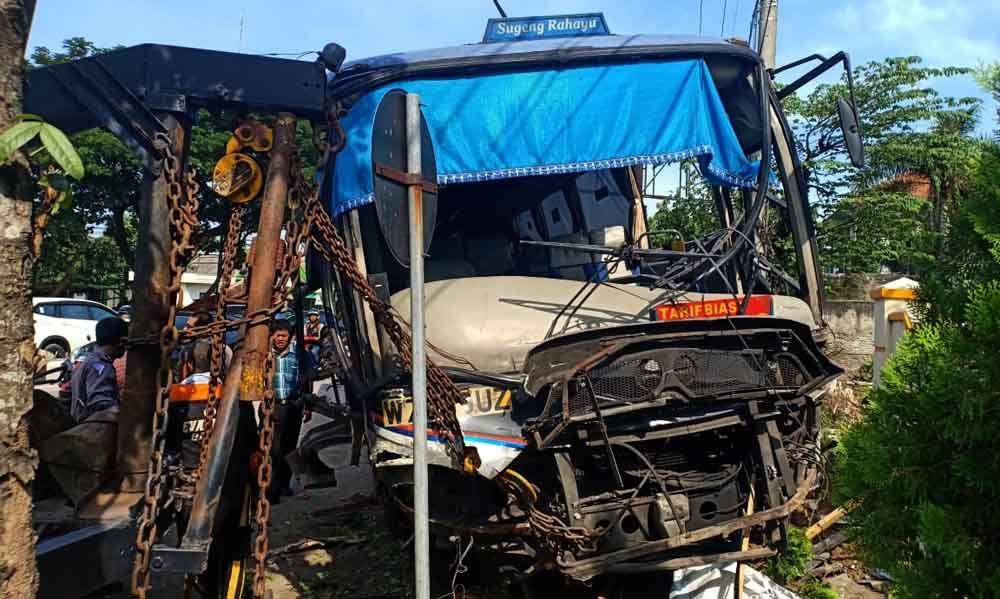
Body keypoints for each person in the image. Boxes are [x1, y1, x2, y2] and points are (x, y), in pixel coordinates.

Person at [267, 319, 313, 503]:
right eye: (277, 335)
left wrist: (308, 405)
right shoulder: (266, 355)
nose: (280, 339)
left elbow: (308, 379)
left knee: (289, 447)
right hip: (273, 407)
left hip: (293, 405)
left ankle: (284, 485)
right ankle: (272, 488)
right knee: (274, 449)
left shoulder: (300, 355)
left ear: (290, 337)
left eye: (283, 335)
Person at [71, 317, 129, 422]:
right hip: (91, 429)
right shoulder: (101, 366)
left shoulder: (89, 360)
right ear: (122, 342)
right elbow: (101, 403)